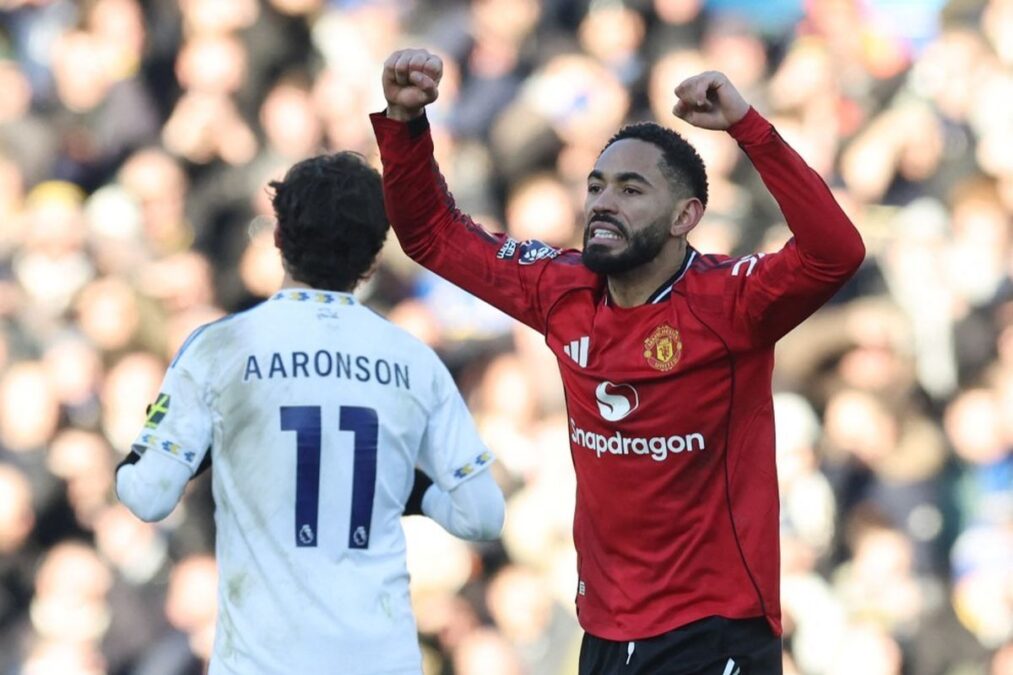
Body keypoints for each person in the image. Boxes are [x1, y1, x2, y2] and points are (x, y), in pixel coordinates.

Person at [371, 49, 865, 674]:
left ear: (686, 216)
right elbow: (429, 234)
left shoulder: (730, 303)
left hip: (714, 630)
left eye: (631, 190)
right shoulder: (560, 289)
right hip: (605, 629)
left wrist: (749, 128)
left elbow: (835, 252)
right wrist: (404, 121)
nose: (604, 202)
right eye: (597, 186)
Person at [115, 151, 505, 675]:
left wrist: (149, 449)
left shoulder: (217, 348)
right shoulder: (414, 360)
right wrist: (409, 491)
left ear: (278, 238)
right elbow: (482, 514)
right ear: (373, 258)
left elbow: (147, 495)